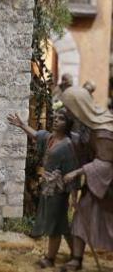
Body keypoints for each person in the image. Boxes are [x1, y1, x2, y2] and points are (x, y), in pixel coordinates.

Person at [7, 108, 78, 268]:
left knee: (55, 224)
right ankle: (77, 254)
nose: (55, 120)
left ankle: (50, 258)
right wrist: (21, 125)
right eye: (56, 117)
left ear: (67, 125)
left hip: (58, 190)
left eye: (61, 119)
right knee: (62, 224)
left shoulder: (67, 145)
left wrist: (74, 197)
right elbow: (36, 135)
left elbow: (72, 169)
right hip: (48, 187)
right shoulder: (51, 138)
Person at [60, 86, 113, 271]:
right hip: (96, 183)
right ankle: (77, 259)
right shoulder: (86, 127)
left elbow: (105, 164)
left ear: (78, 108)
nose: (66, 112)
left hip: (107, 186)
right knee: (82, 214)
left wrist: (76, 173)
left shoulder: (105, 131)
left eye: (68, 108)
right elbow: (83, 153)